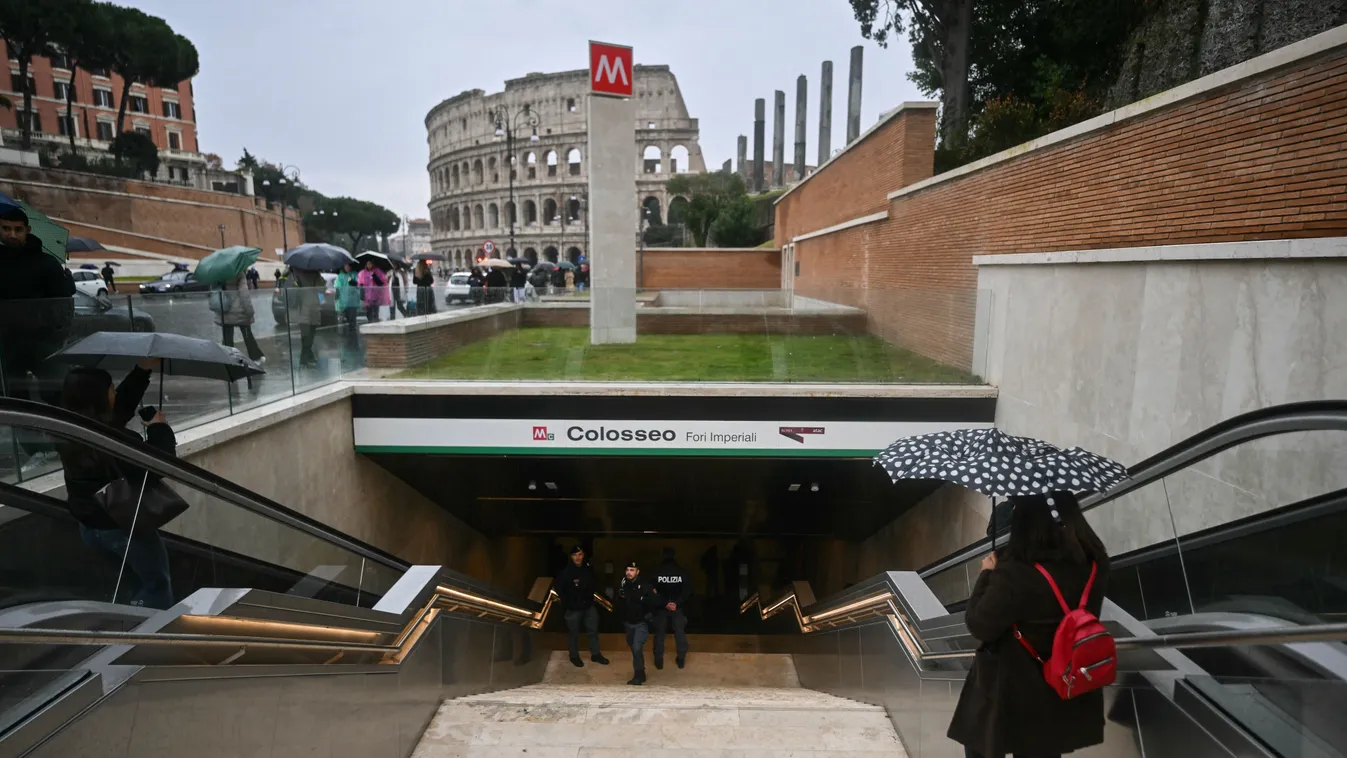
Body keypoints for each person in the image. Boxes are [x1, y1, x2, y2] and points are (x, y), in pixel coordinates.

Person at [948, 491, 1110, 758]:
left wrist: (987, 574)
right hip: (1062, 683)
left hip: (1010, 686)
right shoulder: (1094, 564)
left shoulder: (1016, 571)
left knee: (982, 746)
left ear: (1025, 519)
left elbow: (979, 624)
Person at [57, 360, 176, 609]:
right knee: (156, 586)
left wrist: (142, 371)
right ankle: (154, 640)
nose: (115, 393)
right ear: (101, 398)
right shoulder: (115, 439)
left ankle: (131, 624)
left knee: (131, 583)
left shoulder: (67, 428)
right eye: (112, 389)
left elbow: (118, 409)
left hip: (90, 527)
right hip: (123, 528)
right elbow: (156, 467)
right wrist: (159, 430)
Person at [0, 204, 75, 468]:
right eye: (6, 229)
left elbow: (62, 297)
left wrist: (68, 281)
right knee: (17, 400)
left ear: (27, 231)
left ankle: (69, 444)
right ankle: (35, 451)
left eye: (17, 229)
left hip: (44, 343)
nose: (12, 234)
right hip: (8, 346)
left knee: (57, 395)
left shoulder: (45, 262)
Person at [556, 545, 610, 668]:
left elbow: (594, 585)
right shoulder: (566, 572)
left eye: (580, 554)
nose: (578, 557)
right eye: (575, 555)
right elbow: (560, 590)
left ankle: (595, 654)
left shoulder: (588, 569)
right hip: (573, 608)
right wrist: (568, 604)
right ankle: (574, 656)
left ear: (583, 555)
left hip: (588, 606)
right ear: (571, 556)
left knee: (593, 631)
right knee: (573, 633)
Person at [618, 559, 662, 685]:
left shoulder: (645, 585)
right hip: (628, 623)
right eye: (627, 570)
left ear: (638, 572)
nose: (629, 572)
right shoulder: (623, 584)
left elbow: (656, 601)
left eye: (632, 570)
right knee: (634, 649)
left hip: (641, 623)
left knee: (637, 648)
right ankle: (641, 673)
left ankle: (638, 675)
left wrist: (643, 599)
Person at [210, 270, 265, 363]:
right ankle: (256, 357)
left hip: (224, 310)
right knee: (248, 336)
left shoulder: (219, 274)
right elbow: (244, 295)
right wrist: (250, 312)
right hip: (240, 312)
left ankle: (229, 360)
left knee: (227, 339)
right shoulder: (239, 274)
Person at [652, 547, 692, 669]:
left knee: (659, 634)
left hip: (661, 608)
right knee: (680, 634)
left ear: (663, 556)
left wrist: (664, 603)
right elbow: (687, 591)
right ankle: (681, 659)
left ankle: (659, 661)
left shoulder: (657, 572)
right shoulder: (681, 572)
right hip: (677, 608)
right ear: (675, 556)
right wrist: (676, 603)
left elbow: (651, 590)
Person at [287, 267, 324, 367]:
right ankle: (304, 359)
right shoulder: (315, 274)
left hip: (301, 307)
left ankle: (308, 357)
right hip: (312, 307)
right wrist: (321, 279)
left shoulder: (296, 273)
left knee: (305, 335)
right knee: (310, 335)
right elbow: (321, 289)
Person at [334, 262, 361, 338]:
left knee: (352, 317)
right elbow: (337, 287)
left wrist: (353, 282)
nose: (347, 268)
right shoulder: (340, 276)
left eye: (349, 266)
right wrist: (337, 298)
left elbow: (358, 284)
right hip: (343, 301)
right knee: (345, 318)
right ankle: (346, 333)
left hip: (353, 301)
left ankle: (352, 332)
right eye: (346, 266)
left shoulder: (354, 275)